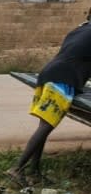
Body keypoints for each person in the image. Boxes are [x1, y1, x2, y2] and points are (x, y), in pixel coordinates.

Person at [6, 21, 91, 185]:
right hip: (63, 80)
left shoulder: (80, 29)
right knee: (46, 126)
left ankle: (34, 172)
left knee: (44, 126)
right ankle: (16, 169)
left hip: (48, 73)